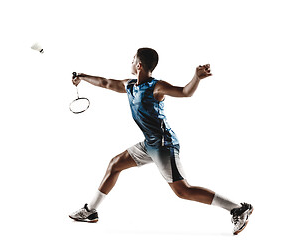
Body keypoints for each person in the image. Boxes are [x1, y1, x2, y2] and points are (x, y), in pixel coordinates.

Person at [69, 48, 253, 235]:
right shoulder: (130, 86)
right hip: (149, 144)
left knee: (183, 191)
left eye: (133, 59)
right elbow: (106, 82)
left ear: (139, 65)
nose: (130, 61)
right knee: (115, 164)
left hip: (164, 145)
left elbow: (184, 92)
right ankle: (90, 211)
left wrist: (196, 77)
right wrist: (83, 77)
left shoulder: (157, 87)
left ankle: (237, 208)